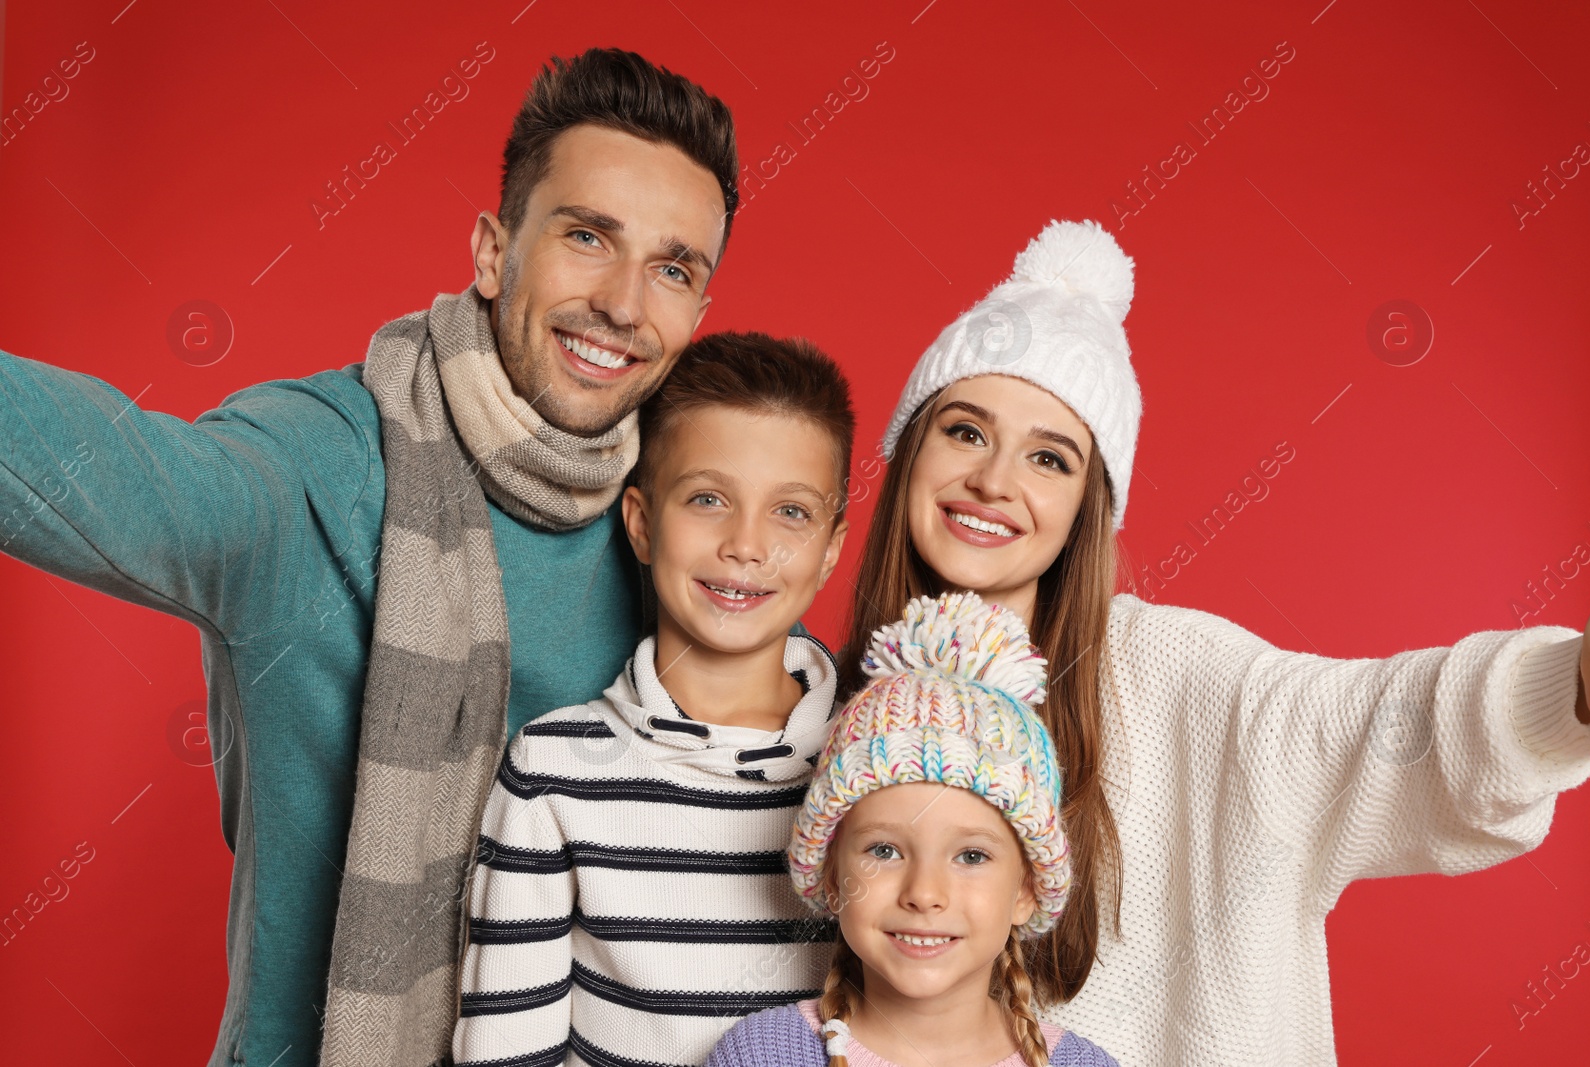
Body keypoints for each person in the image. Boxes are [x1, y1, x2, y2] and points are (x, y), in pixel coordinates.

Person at [0, 48, 740, 1067]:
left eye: (671, 268)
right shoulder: (319, 465)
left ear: (698, 311)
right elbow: (104, 465)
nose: (623, 301)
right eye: (585, 235)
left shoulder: (691, 527)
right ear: (492, 252)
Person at [838, 219, 1590, 1065]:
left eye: (1049, 459)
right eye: (965, 431)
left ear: (1090, 506)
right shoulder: (839, 704)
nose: (993, 480)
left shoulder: (1173, 674)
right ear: (909, 447)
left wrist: (1569, 687)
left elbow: (1363, 723)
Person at [452, 332, 855, 1067]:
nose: (746, 543)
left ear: (831, 548)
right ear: (641, 522)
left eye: (791, 512)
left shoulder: (874, 767)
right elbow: (506, 1051)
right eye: (708, 498)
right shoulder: (555, 770)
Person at [706, 590, 1118, 1067]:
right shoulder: (762, 1056)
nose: (924, 894)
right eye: (884, 850)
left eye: (971, 856)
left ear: (1027, 888)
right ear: (832, 877)